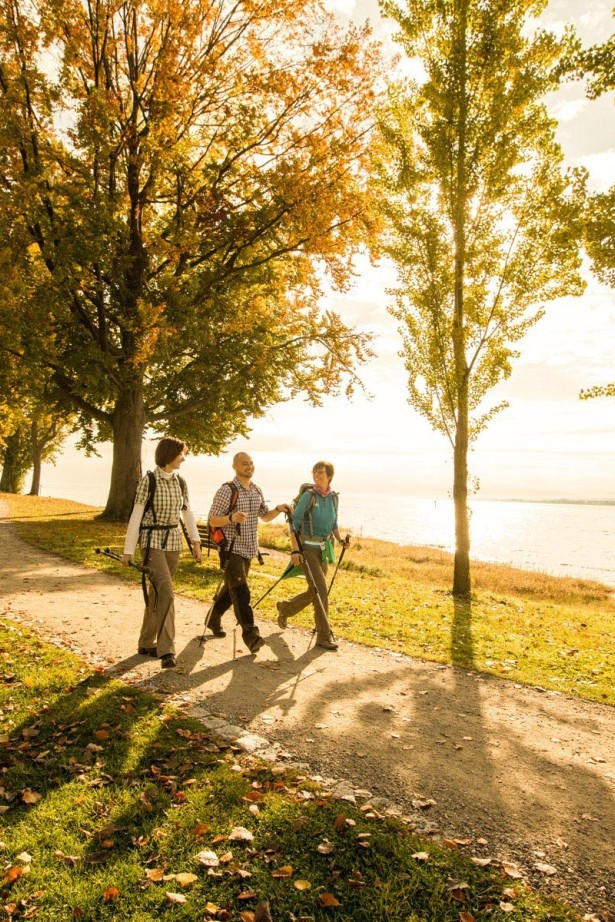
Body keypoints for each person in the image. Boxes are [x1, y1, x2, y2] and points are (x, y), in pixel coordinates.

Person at [122, 437, 202, 669]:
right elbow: (136, 517)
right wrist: (128, 551)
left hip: (173, 543)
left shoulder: (181, 482)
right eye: (181, 454)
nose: (183, 459)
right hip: (152, 542)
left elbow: (187, 513)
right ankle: (166, 650)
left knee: (157, 593)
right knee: (166, 591)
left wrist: (196, 541)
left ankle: (146, 642)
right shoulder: (148, 481)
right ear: (169, 454)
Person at [207, 452, 290, 653]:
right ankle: (251, 635)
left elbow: (265, 516)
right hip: (231, 549)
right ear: (235, 466)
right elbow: (212, 519)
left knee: (232, 590)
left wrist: (278, 509)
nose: (249, 466)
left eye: (251, 463)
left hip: (249, 549)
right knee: (241, 592)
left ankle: (213, 618)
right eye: (245, 463)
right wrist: (231, 518)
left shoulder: (256, 489)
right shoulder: (227, 490)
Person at [276, 461, 349, 651]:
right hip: (307, 549)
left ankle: (285, 608)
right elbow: (294, 523)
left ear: (329, 475)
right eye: (314, 472)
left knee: (314, 591)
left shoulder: (334, 498)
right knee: (321, 590)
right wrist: (295, 550)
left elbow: (333, 523)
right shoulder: (309, 496)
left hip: (324, 550)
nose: (316, 475)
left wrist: (340, 540)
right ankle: (324, 637)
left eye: (320, 472)